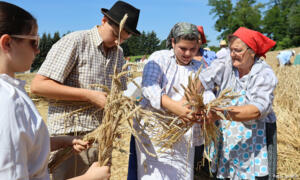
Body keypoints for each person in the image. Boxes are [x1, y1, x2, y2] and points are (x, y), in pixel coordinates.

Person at [30, 1, 141, 179]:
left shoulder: (118, 53)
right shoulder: (76, 41)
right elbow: (39, 85)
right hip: (71, 139)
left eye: (123, 39)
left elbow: (118, 95)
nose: (117, 41)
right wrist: (89, 95)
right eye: (115, 35)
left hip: (102, 137)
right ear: (104, 20)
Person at [0, 1, 110, 179]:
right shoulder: (8, 102)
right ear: (7, 43)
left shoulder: (12, 94)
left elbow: (20, 145)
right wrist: (87, 178)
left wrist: (59, 142)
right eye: (33, 42)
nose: (38, 50)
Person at [198, 27, 277, 179]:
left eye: (238, 50)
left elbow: (256, 110)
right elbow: (200, 80)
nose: (233, 54)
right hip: (228, 139)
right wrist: (203, 99)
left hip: (255, 141)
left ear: (252, 51)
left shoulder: (263, 73)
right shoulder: (227, 65)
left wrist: (220, 113)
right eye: (231, 50)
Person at [133, 22, 206, 180]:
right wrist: (175, 107)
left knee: (182, 173)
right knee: (154, 174)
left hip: (183, 133)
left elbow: (206, 94)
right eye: (183, 48)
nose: (188, 53)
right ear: (173, 42)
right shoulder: (160, 58)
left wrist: (203, 110)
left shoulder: (200, 67)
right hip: (154, 131)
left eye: (193, 49)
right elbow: (149, 87)